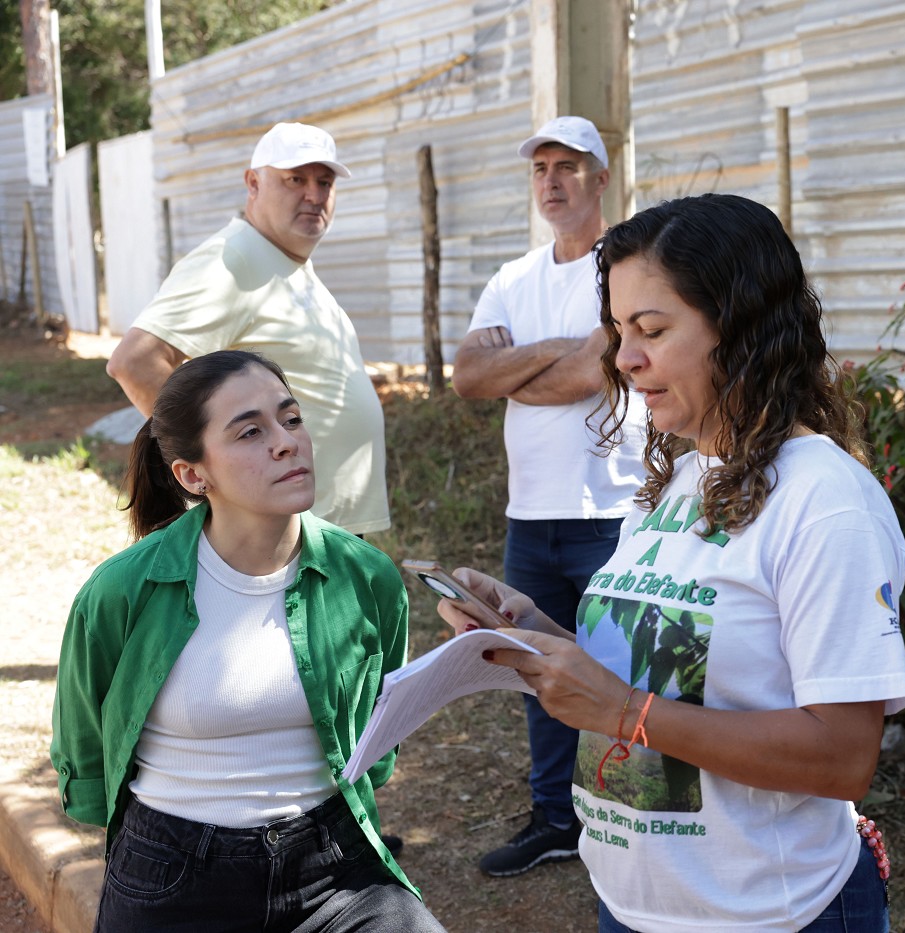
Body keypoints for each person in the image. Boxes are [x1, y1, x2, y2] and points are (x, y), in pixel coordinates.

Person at [439, 193, 905, 931]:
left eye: (652, 331)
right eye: (619, 331)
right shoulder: (684, 477)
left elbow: (842, 756)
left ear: (741, 327)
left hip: (769, 913)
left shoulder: (825, 503)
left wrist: (625, 714)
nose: (623, 359)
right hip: (635, 905)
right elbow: (652, 670)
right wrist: (531, 628)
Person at [50, 350, 444, 932]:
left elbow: (376, 739)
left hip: (334, 865)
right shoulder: (121, 592)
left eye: (291, 419)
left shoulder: (367, 577)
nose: (286, 443)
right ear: (192, 473)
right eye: (250, 432)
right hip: (172, 872)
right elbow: (84, 752)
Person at [450, 115, 647, 877]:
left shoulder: (628, 266)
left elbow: (597, 371)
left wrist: (524, 367)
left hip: (613, 509)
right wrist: (560, 354)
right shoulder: (514, 278)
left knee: (618, 670)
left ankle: (629, 812)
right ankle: (556, 818)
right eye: (540, 169)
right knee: (537, 668)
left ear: (601, 178)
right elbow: (470, 377)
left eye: (569, 166)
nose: (552, 181)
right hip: (529, 515)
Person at [106, 121, 389, 537]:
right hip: (282, 533)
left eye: (324, 182)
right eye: (295, 179)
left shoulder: (286, 263)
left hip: (323, 526)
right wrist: (213, 472)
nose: (314, 195)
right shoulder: (232, 259)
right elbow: (135, 362)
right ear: (253, 183)